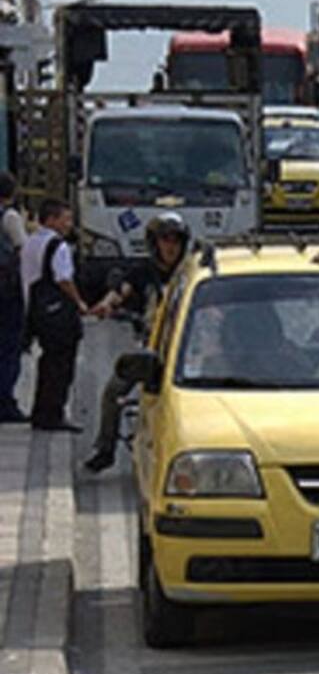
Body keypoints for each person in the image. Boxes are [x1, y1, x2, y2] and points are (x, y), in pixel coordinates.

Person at [84, 213, 190, 472]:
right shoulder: (142, 272)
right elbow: (121, 291)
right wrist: (106, 305)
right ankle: (105, 448)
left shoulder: (191, 271)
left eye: (176, 240)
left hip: (189, 351)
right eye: (165, 240)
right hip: (152, 348)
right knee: (113, 391)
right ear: (154, 243)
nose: (171, 247)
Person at [21, 198, 87, 432]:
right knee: (61, 365)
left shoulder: (31, 242)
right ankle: (53, 413)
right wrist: (79, 302)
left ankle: (41, 412)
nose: (69, 224)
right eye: (65, 219)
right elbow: (63, 279)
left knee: (47, 362)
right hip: (58, 313)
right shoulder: (58, 246)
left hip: (36, 310)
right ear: (51, 219)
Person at [0, 171, 28, 422]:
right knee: (9, 345)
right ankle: (4, 402)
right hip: (7, 291)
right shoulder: (9, 217)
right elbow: (24, 250)